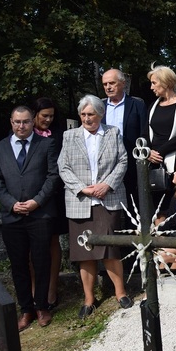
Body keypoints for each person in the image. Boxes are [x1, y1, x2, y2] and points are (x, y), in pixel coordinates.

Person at [58, 95, 131, 319]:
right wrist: (82, 188)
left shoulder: (112, 133)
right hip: (81, 201)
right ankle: (89, 298)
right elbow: (63, 166)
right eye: (83, 115)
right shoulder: (69, 136)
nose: (87, 119)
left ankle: (120, 293)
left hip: (107, 199)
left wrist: (107, 184)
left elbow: (123, 160)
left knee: (110, 248)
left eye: (91, 114)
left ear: (100, 114)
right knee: (84, 252)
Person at [0, 105, 60, 331]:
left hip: (39, 213)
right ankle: (26, 310)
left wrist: (36, 201)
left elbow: (53, 176)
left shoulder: (46, 144)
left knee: (41, 261)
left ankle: (42, 307)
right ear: (11, 122)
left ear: (33, 122)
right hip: (13, 217)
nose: (22, 126)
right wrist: (12, 204)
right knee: (19, 264)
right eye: (17, 122)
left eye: (26, 122)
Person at [30, 97, 64, 312]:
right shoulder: (23, 134)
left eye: (51, 116)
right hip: (29, 196)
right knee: (29, 246)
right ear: (34, 115)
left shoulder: (59, 135)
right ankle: (35, 290)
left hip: (54, 195)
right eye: (44, 116)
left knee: (53, 241)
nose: (48, 120)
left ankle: (52, 289)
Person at [101, 69, 146, 203]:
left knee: (132, 200)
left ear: (123, 83)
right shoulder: (99, 107)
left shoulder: (137, 104)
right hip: (106, 164)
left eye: (112, 83)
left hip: (131, 161)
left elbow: (144, 132)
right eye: (105, 84)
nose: (108, 87)